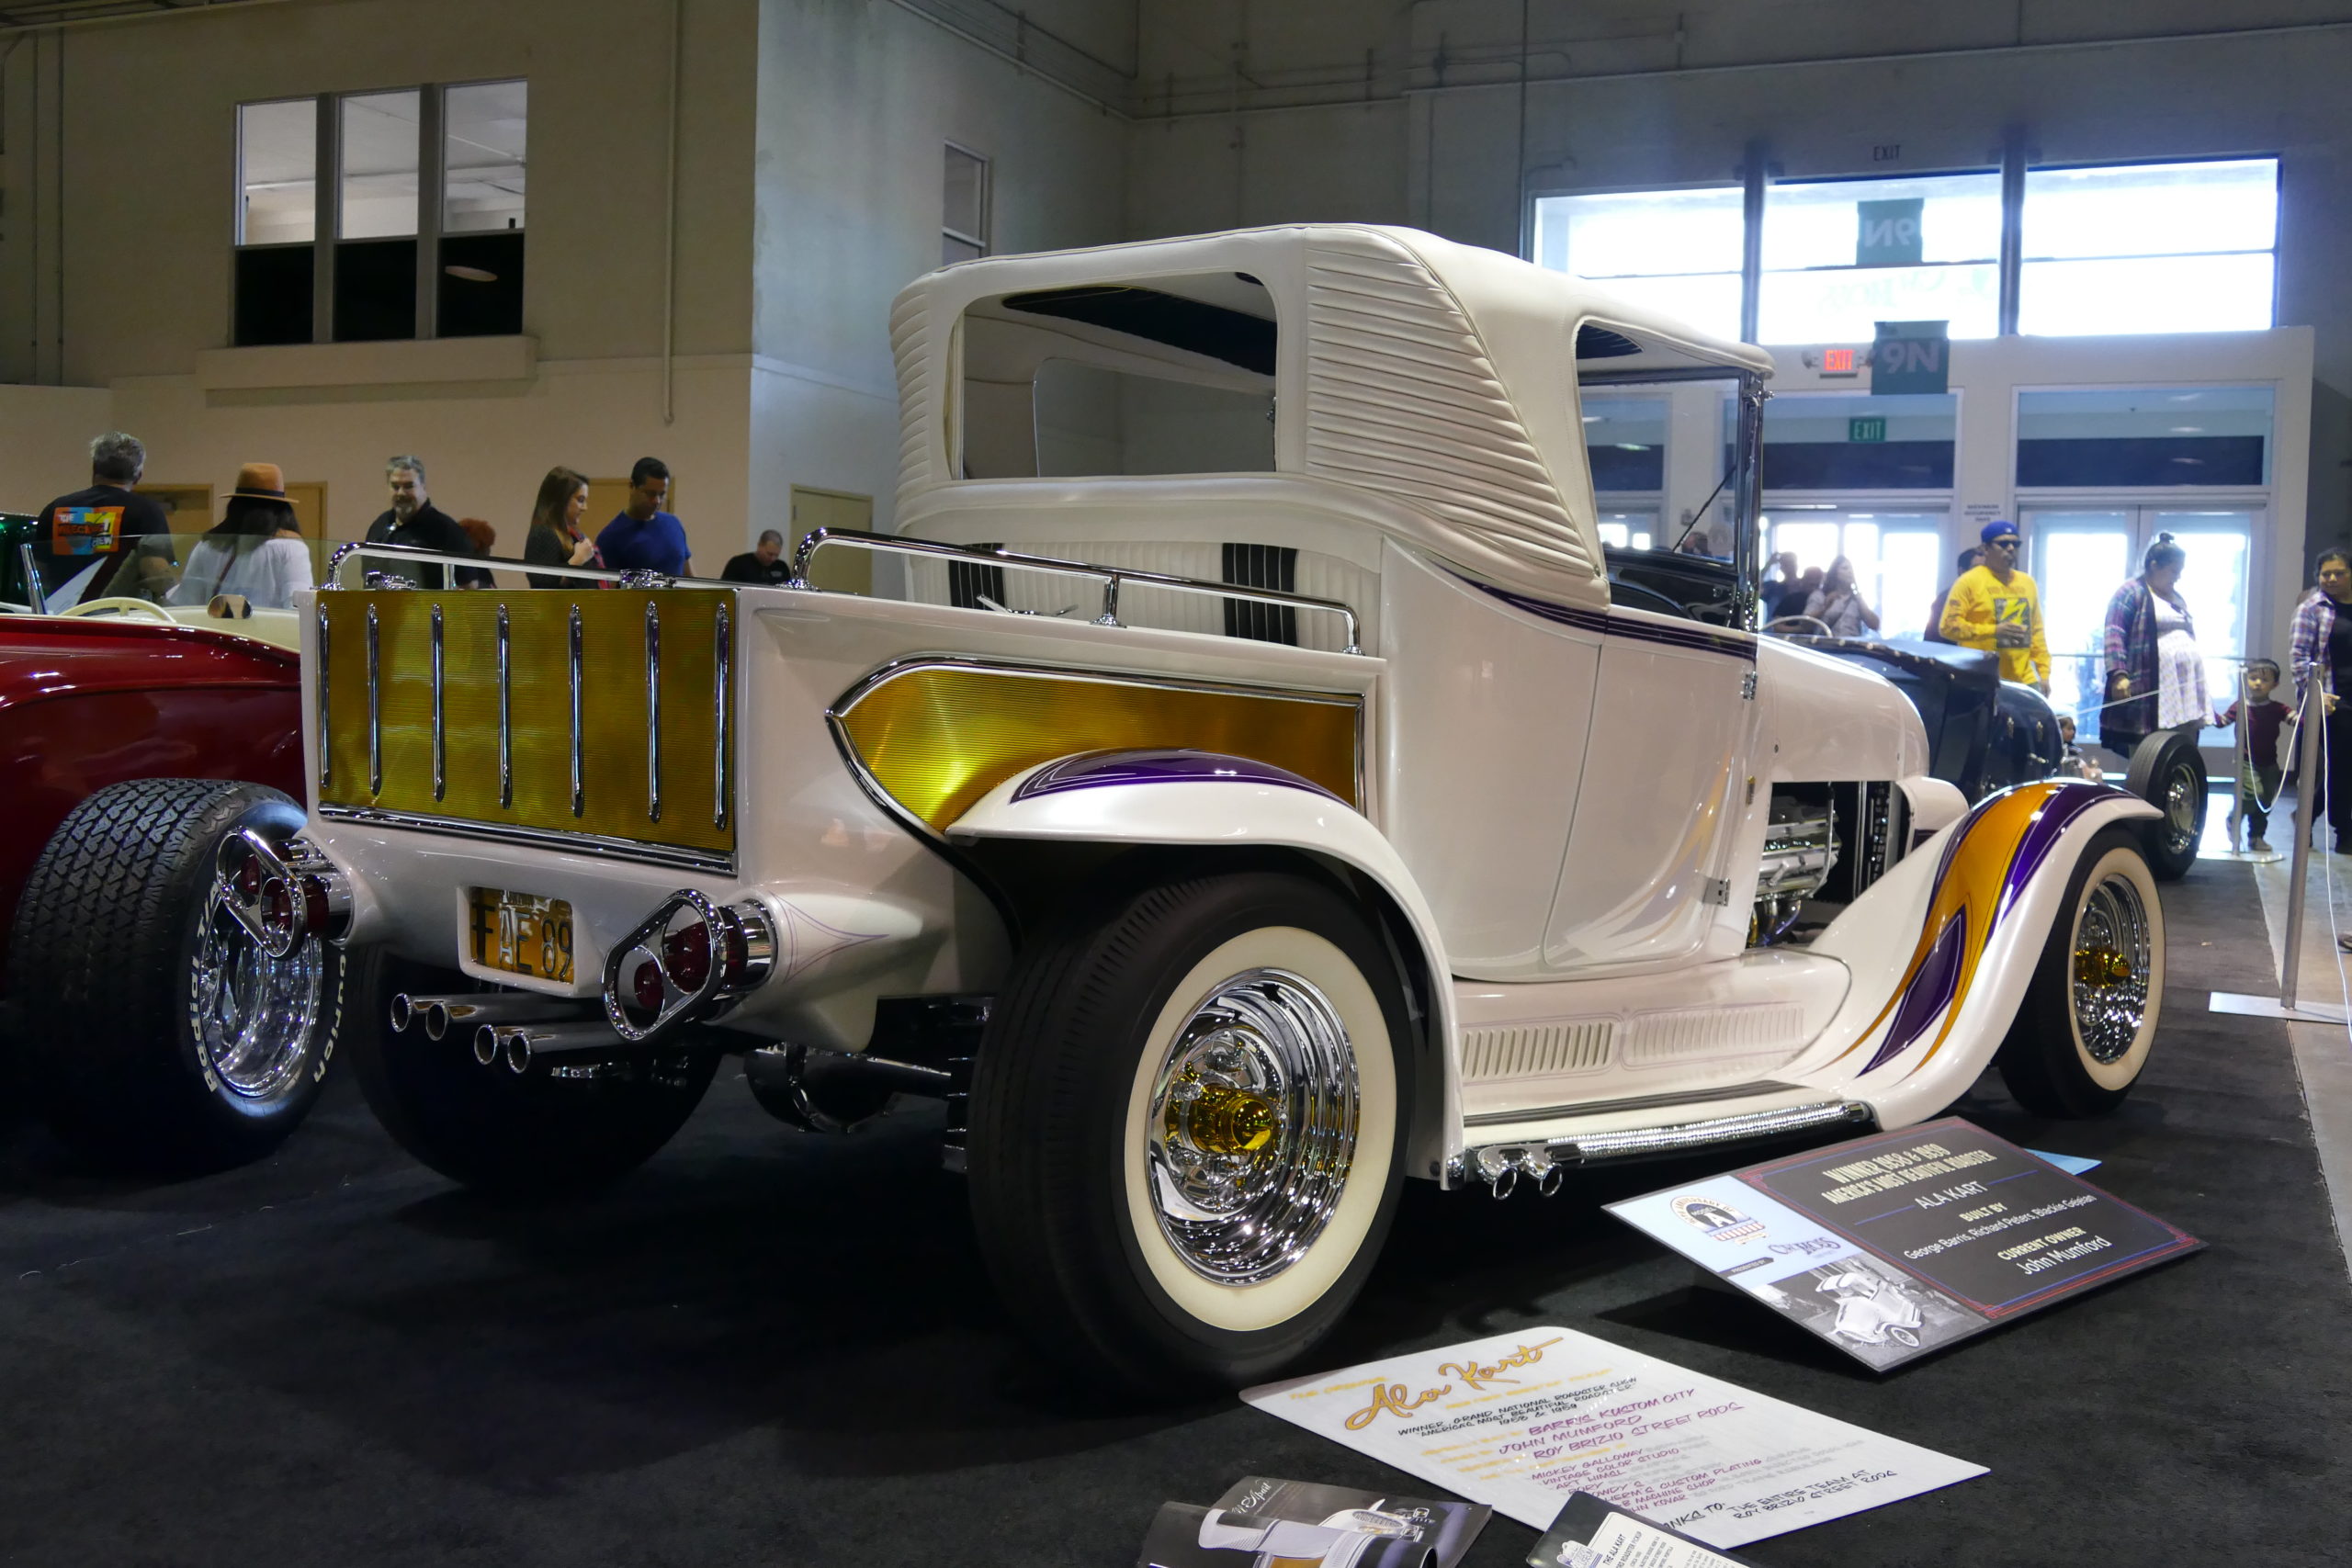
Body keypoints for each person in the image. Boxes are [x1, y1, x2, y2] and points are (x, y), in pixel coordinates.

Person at [30, 431, 175, 605]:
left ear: (95, 469)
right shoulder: (146, 511)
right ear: (138, 475)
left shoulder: (56, 509)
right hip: (121, 619)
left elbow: (37, 574)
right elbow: (158, 577)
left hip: (65, 618)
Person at [2100, 533, 2207, 763]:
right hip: (2150, 697)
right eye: (2173, 570)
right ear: (2153, 565)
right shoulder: (2130, 592)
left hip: (2182, 696)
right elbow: (2114, 633)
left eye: (2180, 570)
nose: (2178, 576)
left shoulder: (2175, 598)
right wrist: (2119, 674)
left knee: (2182, 756)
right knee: (2148, 762)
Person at [165, 463, 314, 610]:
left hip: (218, 630)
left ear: (234, 505)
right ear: (282, 509)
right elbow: (299, 606)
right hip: (266, 632)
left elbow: (187, 603)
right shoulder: (291, 548)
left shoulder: (208, 545)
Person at [2288, 547, 2352, 851]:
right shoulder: (2312, 608)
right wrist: (2317, 694)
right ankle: (2340, 830)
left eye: (2339, 572)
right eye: (2326, 573)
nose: (2332, 578)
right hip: (2329, 700)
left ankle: (2307, 816)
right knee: (2333, 769)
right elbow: (2299, 658)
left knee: (2345, 768)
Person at [1939, 520, 2050, 694]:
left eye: (2015, 543)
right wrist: (1994, 630)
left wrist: (2044, 674)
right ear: (1985, 548)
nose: (2011, 548)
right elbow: (1948, 627)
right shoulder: (1969, 582)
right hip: (1980, 679)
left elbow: (2036, 632)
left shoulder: (2027, 583)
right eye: (2004, 544)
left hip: (2024, 680)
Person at [363, 455, 491, 590]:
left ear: (423, 487)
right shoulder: (379, 525)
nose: (401, 493)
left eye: (409, 486)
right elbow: (367, 580)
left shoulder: (446, 530)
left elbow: (468, 588)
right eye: (395, 487)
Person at [2216, 658, 2289, 852]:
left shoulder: (2277, 708)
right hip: (2246, 760)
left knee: (2266, 801)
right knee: (2251, 794)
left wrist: (2319, 712)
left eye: (2264, 680)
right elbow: (2221, 722)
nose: (2257, 683)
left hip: (2269, 762)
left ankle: (2256, 837)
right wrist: (2206, 710)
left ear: (2275, 684)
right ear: (2246, 680)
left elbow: (2298, 721)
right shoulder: (2240, 706)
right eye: (2253, 678)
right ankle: (2234, 819)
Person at [596, 457, 692, 576]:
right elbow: (607, 589)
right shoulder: (610, 537)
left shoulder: (674, 523)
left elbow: (690, 577)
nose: (656, 501)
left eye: (661, 494)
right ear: (632, 486)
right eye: (650, 493)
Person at [523, 466, 601, 588]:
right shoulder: (543, 533)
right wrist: (578, 559)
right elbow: (543, 585)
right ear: (561, 499)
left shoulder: (573, 535)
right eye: (580, 500)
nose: (585, 508)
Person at [1804, 556, 1882, 638]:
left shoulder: (1856, 599)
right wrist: (1824, 608)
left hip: (1852, 646)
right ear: (1835, 573)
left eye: (1851, 569)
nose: (1850, 572)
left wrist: (1859, 598)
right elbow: (1805, 623)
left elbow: (1875, 625)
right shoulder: (1820, 596)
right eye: (1845, 568)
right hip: (1826, 645)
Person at [1924, 547, 1981, 646]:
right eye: (1976, 569)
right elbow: (1932, 644)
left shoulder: (1993, 597)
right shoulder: (1945, 600)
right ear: (1962, 571)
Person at [721, 528, 793, 586]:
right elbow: (725, 590)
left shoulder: (782, 567)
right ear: (759, 545)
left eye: (776, 555)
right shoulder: (738, 564)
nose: (772, 559)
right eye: (769, 554)